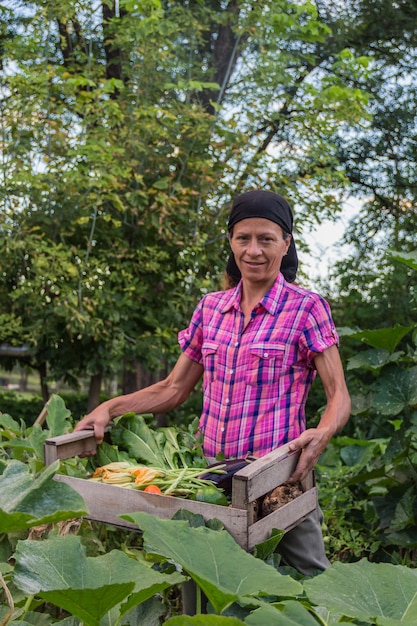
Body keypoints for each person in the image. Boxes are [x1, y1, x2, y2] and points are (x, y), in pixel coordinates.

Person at [75, 189, 351, 577]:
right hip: (210, 477)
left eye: (266, 239)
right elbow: (173, 388)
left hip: (278, 478)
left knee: (309, 581)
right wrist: (109, 408)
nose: (253, 250)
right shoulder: (211, 308)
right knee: (206, 580)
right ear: (231, 241)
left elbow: (339, 394)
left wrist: (322, 433)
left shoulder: (306, 308)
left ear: (286, 244)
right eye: (244, 238)